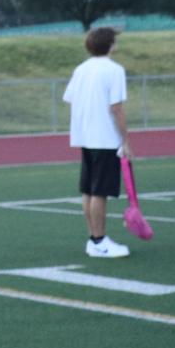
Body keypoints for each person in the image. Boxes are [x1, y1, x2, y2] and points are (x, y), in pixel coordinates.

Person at [62, 25, 133, 258]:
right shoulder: (114, 70)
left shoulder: (81, 69)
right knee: (99, 192)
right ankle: (99, 241)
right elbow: (117, 107)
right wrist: (125, 139)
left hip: (86, 136)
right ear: (110, 44)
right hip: (105, 138)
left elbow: (70, 98)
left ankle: (94, 240)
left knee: (89, 190)